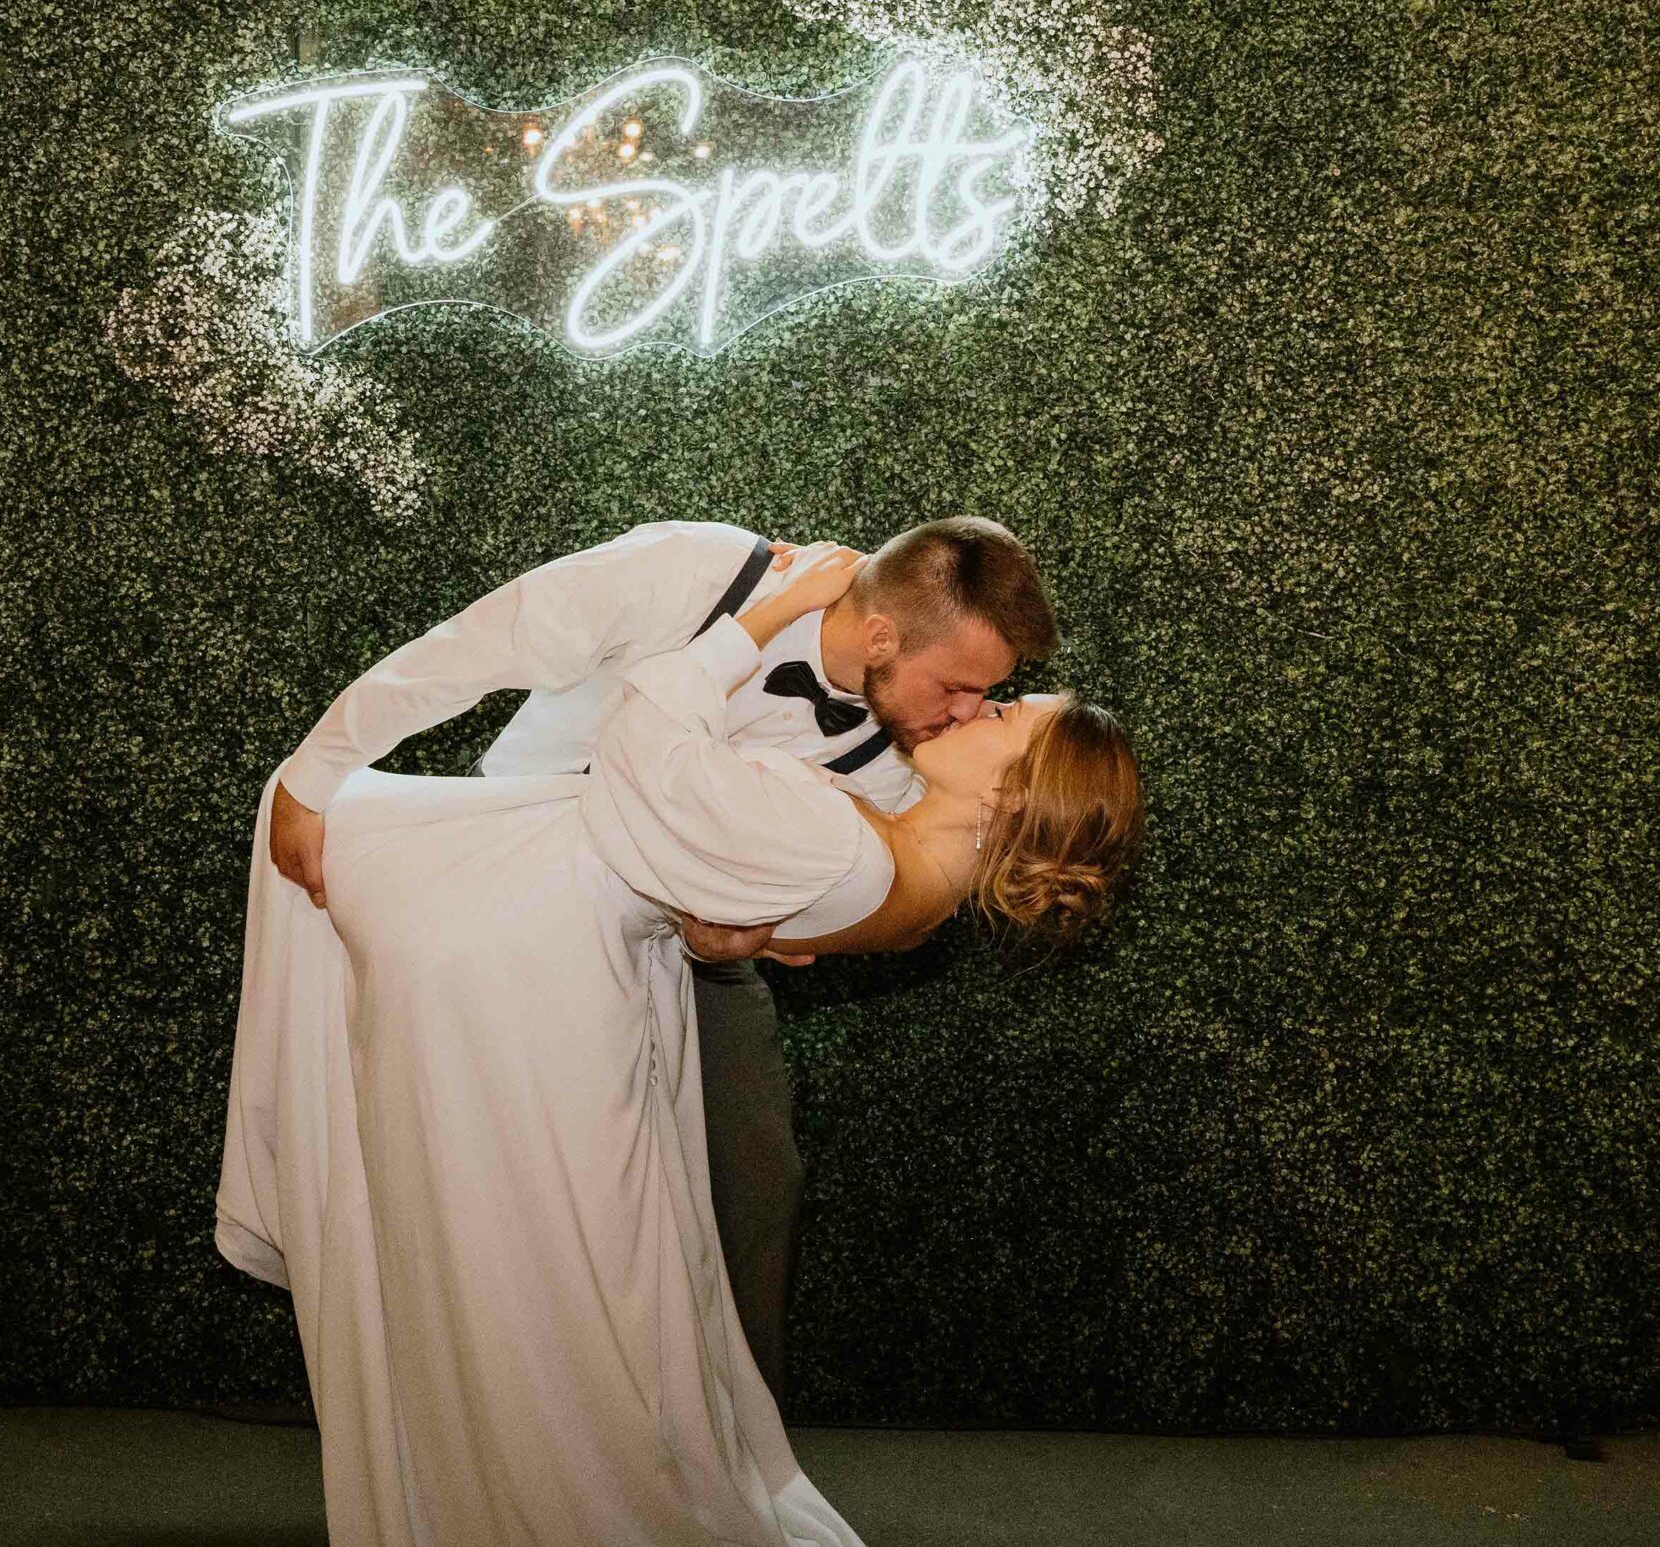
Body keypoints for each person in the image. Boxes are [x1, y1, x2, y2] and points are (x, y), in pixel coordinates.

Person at [213, 545, 1142, 1543]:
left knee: (706, 1204)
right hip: (516, 884)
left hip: (631, 943)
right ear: (883, 634)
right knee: (520, 1215)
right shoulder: (692, 572)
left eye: (993, 702)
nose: (964, 708)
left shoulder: (908, 761)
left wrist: (770, 927)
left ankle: (654, 1454)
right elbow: (473, 649)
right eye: (964, 687)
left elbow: (886, 877)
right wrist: (315, 773)